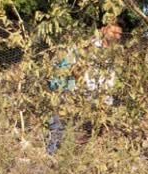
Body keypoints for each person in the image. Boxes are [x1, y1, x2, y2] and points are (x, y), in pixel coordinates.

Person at [47, 17, 123, 154]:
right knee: (62, 133)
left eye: (119, 34)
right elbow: (69, 69)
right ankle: (53, 158)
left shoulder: (116, 55)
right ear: (103, 30)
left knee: (90, 140)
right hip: (81, 100)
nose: (117, 37)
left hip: (102, 105)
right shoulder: (86, 47)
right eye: (114, 32)